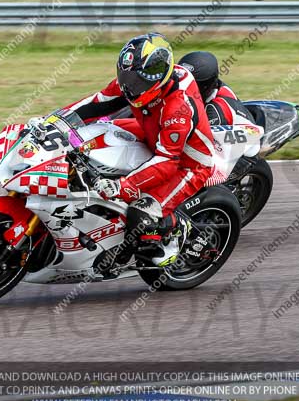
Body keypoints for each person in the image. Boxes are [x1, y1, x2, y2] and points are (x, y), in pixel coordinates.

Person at [62, 33, 215, 267]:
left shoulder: (178, 109)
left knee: (140, 211)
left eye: (137, 82)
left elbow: (167, 161)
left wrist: (123, 186)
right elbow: (97, 102)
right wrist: (54, 121)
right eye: (126, 78)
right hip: (152, 133)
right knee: (94, 136)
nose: (129, 87)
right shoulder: (137, 82)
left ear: (157, 79)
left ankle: (176, 231)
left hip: (187, 163)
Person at [177, 51, 254, 125]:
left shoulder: (215, 110)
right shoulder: (214, 87)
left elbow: (200, 136)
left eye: (191, 83)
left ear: (205, 86)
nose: (183, 86)